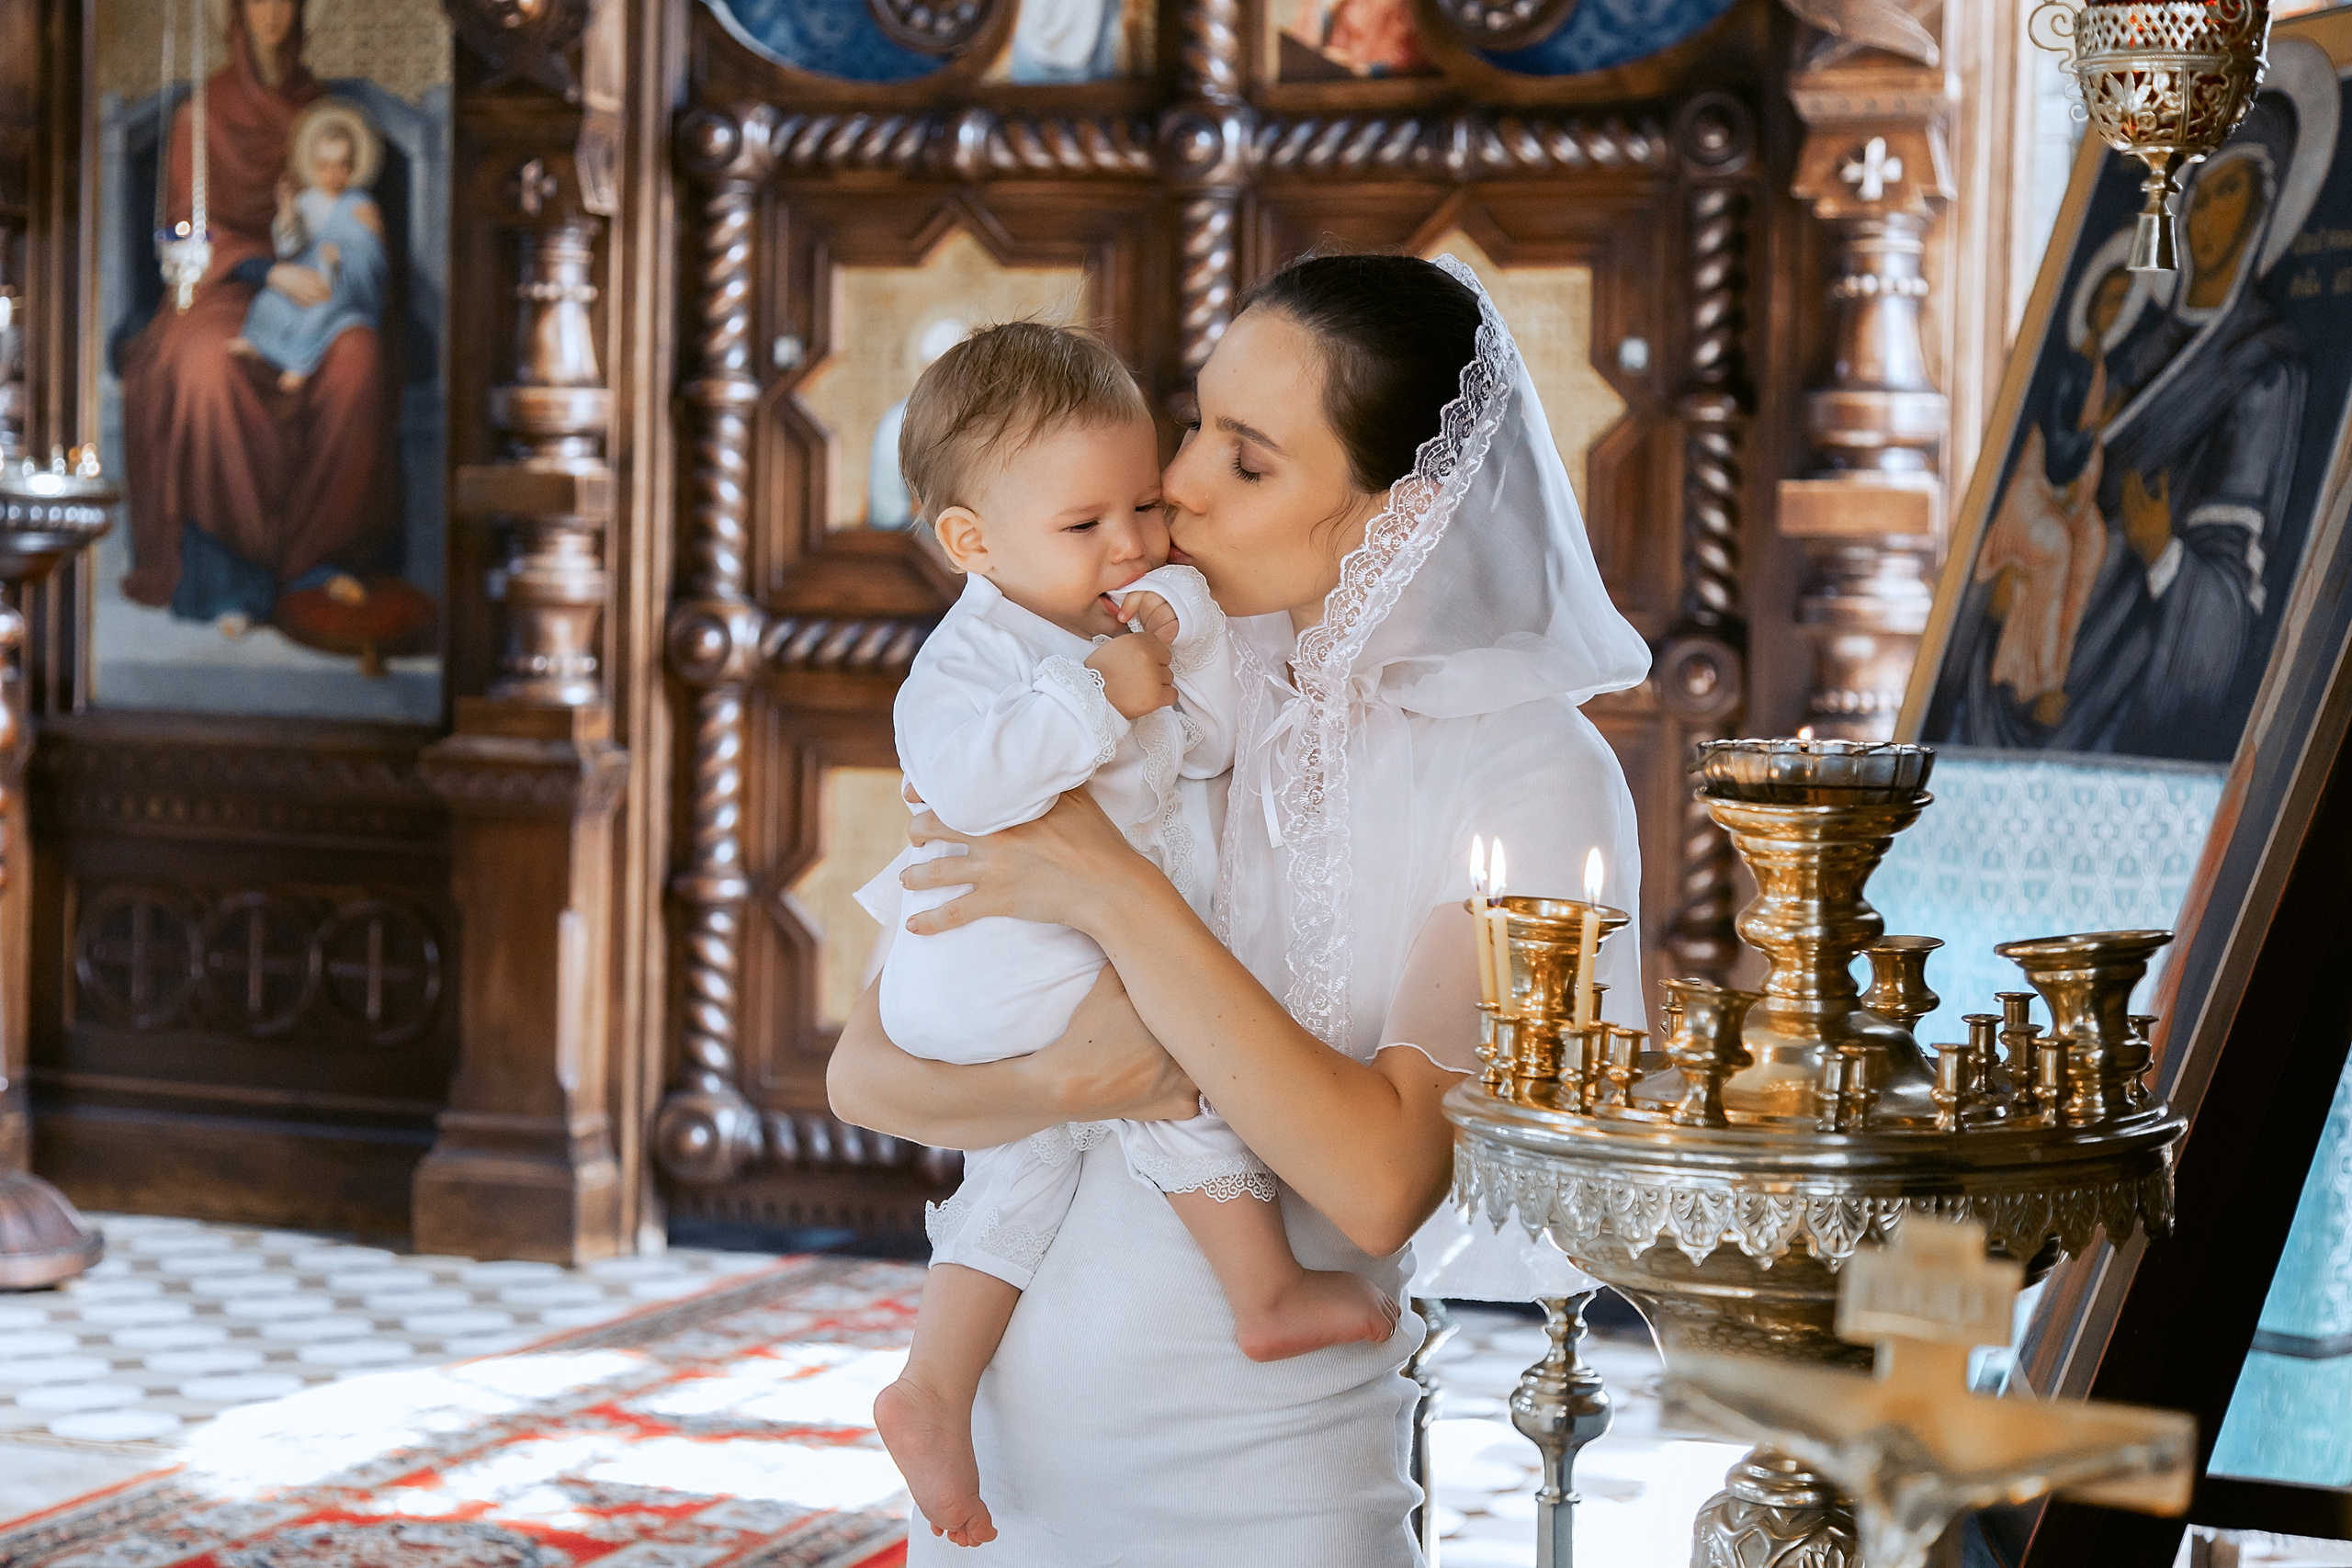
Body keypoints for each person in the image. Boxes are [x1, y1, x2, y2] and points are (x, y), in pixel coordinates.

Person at [831, 252, 1650, 1564]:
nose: (1180, 484)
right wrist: (1073, 1079)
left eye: (1249, 460)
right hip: (1000, 1476)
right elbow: (871, 1075)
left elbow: (1379, 1181)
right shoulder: (1153, 681)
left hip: (1267, 1482)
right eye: (1198, 418)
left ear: (1399, 512)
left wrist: (1113, 889)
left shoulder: (1533, 772)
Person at [858, 321, 1397, 1549]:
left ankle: (932, 1385)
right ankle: (1259, 1284)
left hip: (1024, 950)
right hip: (985, 955)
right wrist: (1092, 691)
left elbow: (1198, 747)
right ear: (971, 543)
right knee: (1182, 1051)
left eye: (1143, 506)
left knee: (1029, 1161)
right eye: (1086, 523)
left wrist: (1181, 640)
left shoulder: (1101, 622)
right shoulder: (977, 656)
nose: (1133, 543)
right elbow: (966, 783)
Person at [118, 0, 399, 634]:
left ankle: (317, 563)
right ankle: (229, 578)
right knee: (204, 368)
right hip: (223, 287)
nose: (274, 15)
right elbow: (186, 231)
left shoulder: (324, 113)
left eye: (286, 1)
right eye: (260, 0)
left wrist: (335, 248)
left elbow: (347, 214)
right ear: (236, 14)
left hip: (317, 288)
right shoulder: (202, 115)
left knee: (357, 355)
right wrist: (267, 269)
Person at [229, 101, 389, 399]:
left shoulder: (360, 206)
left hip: (342, 286)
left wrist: (342, 260)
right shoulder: (307, 201)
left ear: (352, 166)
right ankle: (257, 342)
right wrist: (288, 212)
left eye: (341, 165)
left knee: (321, 312)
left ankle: (298, 365)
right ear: (313, 166)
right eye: (324, 166)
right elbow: (288, 247)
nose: (332, 174)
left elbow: (373, 260)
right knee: (270, 301)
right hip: (306, 274)